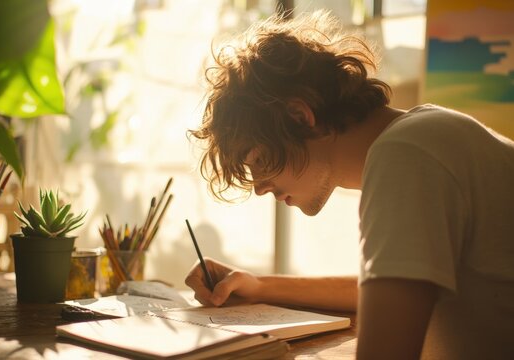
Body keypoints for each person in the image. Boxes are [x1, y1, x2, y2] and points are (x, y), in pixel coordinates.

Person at [185, 10, 514, 360]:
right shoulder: (426, 136)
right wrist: (258, 286)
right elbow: (390, 292)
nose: (259, 188)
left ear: (300, 117)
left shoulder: (407, 155)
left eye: (260, 160)